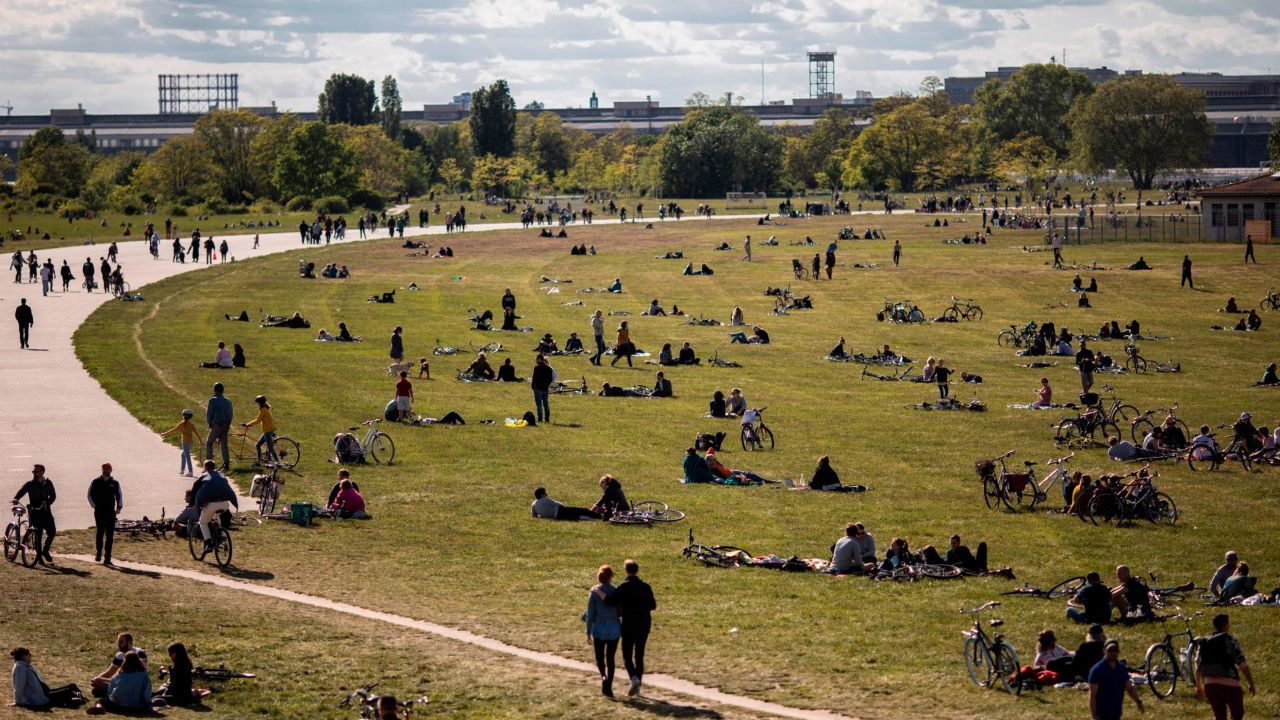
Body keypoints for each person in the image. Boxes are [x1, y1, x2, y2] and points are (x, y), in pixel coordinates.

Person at [1195, 613, 1256, 720]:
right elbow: (1243, 665)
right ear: (1226, 625)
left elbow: (1198, 666)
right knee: (1237, 714)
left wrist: (1199, 686)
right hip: (1230, 685)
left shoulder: (1204, 642)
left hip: (1210, 685)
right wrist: (1251, 683)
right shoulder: (1230, 641)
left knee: (1219, 716)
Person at [584, 565, 621, 697]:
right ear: (610, 577)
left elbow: (590, 614)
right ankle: (609, 685)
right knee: (610, 658)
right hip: (614, 629)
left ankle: (603, 677)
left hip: (599, 629)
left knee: (600, 657)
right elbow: (620, 611)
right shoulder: (616, 591)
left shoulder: (594, 592)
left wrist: (588, 632)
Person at [10, 646, 83, 708]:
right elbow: (19, 685)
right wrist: (18, 702)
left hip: (45, 692)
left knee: (72, 686)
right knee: (68, 690)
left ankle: (77, 697)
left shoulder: (25, 666)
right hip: (40, 697)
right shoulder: (20, 667)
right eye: (29, 655)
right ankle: (78, 698)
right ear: (24, 656)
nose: (30, 657)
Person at [1089, 640, 1144, 720]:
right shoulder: (1097, 670)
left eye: (1115, 650)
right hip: (1101, 714)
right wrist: (1094, 714)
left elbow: (1129, 688)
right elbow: (1092, 695)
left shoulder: (1121, 668)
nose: (1113, 653)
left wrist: (1138, 702)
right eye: (1110, 650)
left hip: (1116, 713)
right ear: (1104, 650)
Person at [12, 465, 56, 564]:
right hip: (34, 512)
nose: (34, 473)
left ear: (42, 472)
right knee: (37, 535)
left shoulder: (48, 483)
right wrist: (16, 498)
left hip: (46, 512)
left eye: (36, 471)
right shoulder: (30, 484)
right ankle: (39, 557)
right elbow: (22, 491)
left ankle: (45, 550)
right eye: (34, 471)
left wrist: (47, 502)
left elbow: (53, 496)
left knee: (52, 531)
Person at [194, 460, 238, 556]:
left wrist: (194, 503)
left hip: (211, 505)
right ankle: (220, 535)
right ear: (214, 467)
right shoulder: (221, 474)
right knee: (215, 516)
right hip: (225, 504)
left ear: (205, 467)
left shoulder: (204, 475)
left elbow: (195, 488)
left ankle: (208, 543)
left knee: (203, 522)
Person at [87, 463, 122, 566]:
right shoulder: (96, 481)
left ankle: (107, 557)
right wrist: (94, 505)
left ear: (111, 470)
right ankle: (98, 553)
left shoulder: (115, 483)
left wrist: (119, 508)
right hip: (99, 511)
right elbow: (89, 495)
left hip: (110, 512)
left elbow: (119, 495)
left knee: (110, 535)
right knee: (100, 532)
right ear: (101, 470)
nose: (106, 470)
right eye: (104, 469)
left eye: (108, 469)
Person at [152, 643, 194, 708]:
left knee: (156, 697)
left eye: (170, 654)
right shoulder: (186, 664)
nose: (170, 656)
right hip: (184, 695)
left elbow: (174, 686)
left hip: (178, 697)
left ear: (175, 653)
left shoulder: (178, 667)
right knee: (155, 695)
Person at [243, 395, 278, 465]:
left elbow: (258, 420)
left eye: (258, 403)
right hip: (269, 430)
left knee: (270, 448)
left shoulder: (263, 410)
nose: (257, 405)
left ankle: (278, 462)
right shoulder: (265, 409)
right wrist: (250, 424)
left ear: (260, 403)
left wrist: (248, 424)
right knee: (258, 445)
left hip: (267, 431)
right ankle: (259, 461)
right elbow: (259, 420)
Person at [531, 487, 600, 520]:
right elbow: (556, 504)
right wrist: (563, 505)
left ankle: (590, 519)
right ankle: (599, 516)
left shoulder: (533, 504)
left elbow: (534, 516)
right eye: (545, 493)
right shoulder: (545, 499)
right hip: (560, 510)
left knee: (575, 517)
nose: (546, 494)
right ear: (542, 495)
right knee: (581, 510)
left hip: (557, 517)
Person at [531, 354, 553, 423]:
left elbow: (534, 378)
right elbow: (551, 379)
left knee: (539, 404)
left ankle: (540, 419)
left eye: (536, 359)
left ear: (539, 359)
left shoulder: (537, 368)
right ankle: (547, 418)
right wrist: (547, 384)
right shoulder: (549, 368)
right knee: (546, 404)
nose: (536, 361)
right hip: (545, 389)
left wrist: (532, 386)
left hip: (538, 388)